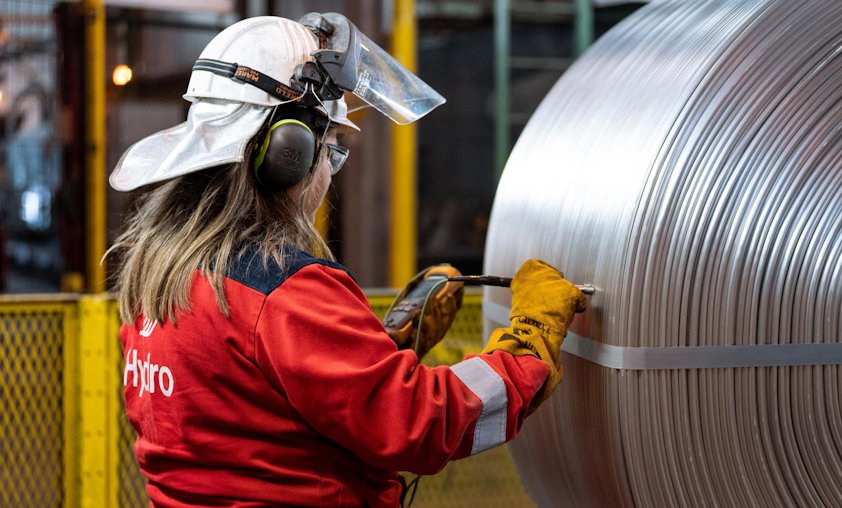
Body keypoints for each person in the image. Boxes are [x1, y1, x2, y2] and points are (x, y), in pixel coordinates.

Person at [106, 13, 588, 508]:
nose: (330, 173)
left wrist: (385, 348)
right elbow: (420, 425)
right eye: (331, 150)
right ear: (288, 152)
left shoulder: (161, 278)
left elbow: (250, 398)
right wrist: (529, 346)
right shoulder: (285, 292)